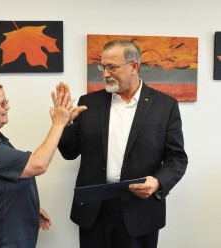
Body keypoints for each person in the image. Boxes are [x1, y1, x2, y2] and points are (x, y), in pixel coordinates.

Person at [57, 40, 188, 248]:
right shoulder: (89, 103)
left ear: (134, 67)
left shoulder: (165, 105)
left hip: (140, 209)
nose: (105, 74)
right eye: (103, 67)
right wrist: (61, 126)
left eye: (112, 67)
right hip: (95, 210)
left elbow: (177, 157)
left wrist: (158, 183)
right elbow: (70, 152)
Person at [0, 80, 85, 248]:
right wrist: (59, 123)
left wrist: (28, 207)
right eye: (1, 103)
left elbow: (5, 181)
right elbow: (38, 165)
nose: (7, 107)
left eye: (7, 101)